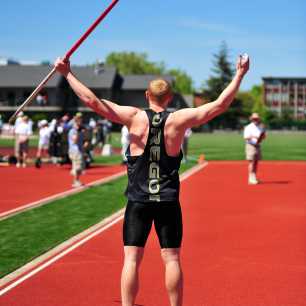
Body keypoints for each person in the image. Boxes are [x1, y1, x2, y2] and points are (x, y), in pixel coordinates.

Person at [54, 53, 249, 306]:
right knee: (172, 258)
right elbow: (219, 105)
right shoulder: (179, 119)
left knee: (132, 259)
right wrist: (240, 73)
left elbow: (92, 101)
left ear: (147, 95)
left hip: (138, 201)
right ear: (169, 98)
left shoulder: (134, 117)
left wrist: (67, 73)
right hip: (167, 200)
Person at [243, 112, 266, 184]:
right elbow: (246, 137)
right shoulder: (248, 127)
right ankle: (250, 178)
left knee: (256, 162)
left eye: (256, 119)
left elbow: (263, 137)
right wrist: (254, 137)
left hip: (257, 145)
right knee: (251, 162)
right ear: (252, 119)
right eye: (254, 119)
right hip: (250, 146)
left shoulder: (261, 127)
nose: (255, 120)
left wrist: (262, 136)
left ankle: (254, 176)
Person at [68, 113, 88, 187]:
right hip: (75, 151)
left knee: (79, 167)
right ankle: (75, 181)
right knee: (78, 167)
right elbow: (74, 141)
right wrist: (78, 132)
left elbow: (84, 139)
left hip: (78, 150)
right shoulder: (73, 131)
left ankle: (76, 180)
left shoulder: (80, 131)